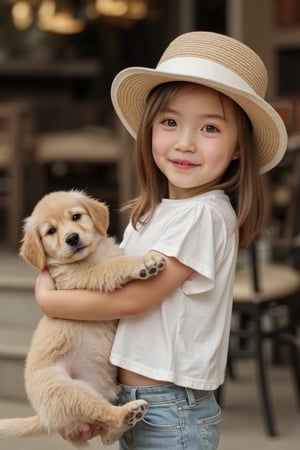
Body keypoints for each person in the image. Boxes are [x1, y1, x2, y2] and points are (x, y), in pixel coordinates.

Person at [35, 31, 287, 450]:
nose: (185, 142)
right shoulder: (150, 213)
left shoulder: (204, 215)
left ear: (240, 146)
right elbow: (118, 316)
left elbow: (134, 300)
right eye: (170, 122)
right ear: (150, 128)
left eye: (209, 127)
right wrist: (90, 398)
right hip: (136, 399)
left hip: (172, 409)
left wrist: (49, 298)